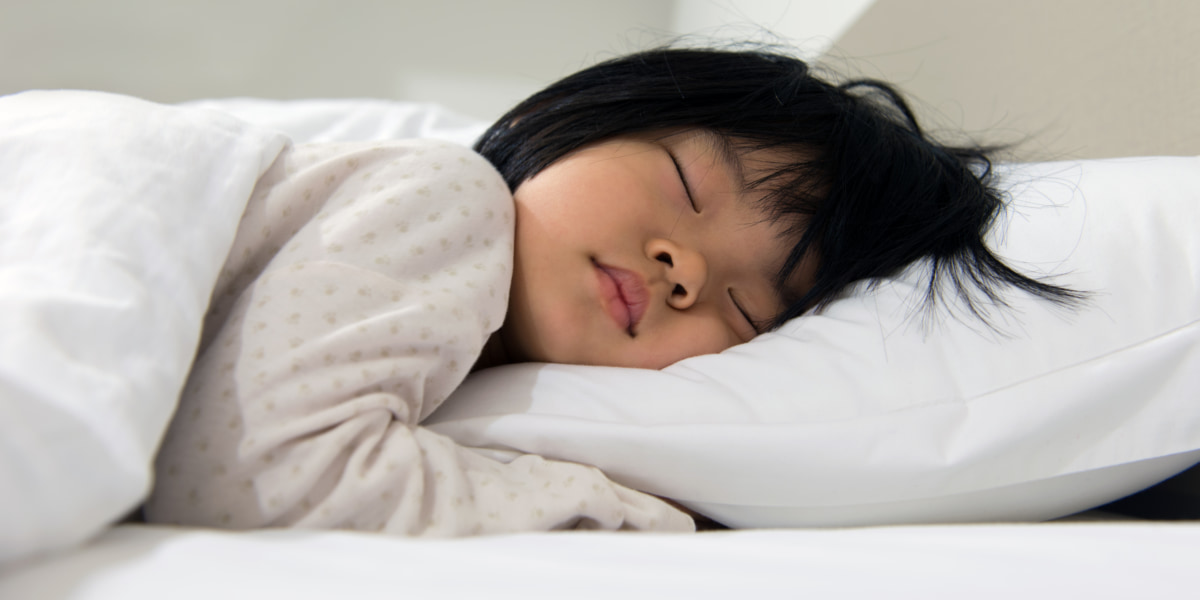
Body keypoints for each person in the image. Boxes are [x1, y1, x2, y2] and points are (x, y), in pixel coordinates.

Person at [144, 46, 1080, 534]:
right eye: (687, 188)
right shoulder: (447, 195)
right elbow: (249, 481)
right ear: (560, 122)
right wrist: (625, 514)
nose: (689, 268)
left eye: (749, 308)